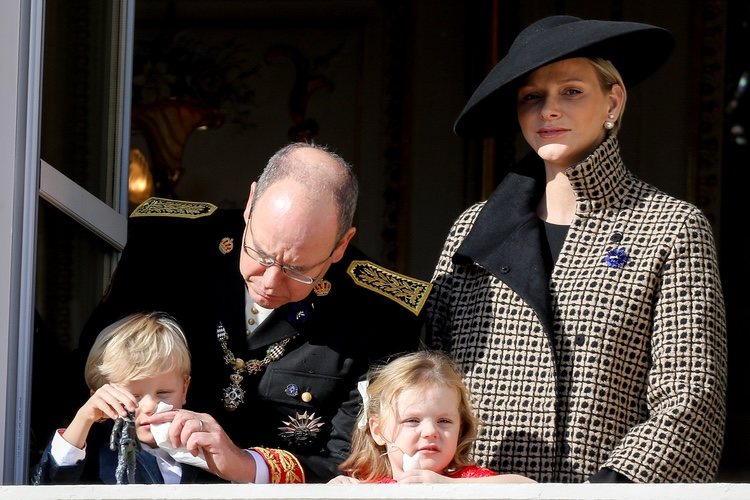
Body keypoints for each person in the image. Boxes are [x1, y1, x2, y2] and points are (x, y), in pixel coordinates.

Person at [426, 15, 727, 483]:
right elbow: (429, 380)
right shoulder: (472, 230)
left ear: (613, 100)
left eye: (571, 91)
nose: (549, 110)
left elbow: (690, 396)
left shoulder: (671, 227)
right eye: (532, 97)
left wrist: (607, 492)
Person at [72, 142, 431, 483]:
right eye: (260, 253)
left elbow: (356, 460)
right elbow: (85, 378)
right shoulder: (169, 244)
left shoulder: (381, 312)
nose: (271, 281)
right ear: (249, 204)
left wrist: (247, 465)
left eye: (298, 269)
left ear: (340, 246)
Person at [32, 312, 221, 484]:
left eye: (163, 393)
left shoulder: (202, 449)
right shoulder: (95, 453)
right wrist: (84, 418)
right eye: (133, 396)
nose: (150, 406)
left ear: (184, 389)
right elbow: (49, 484)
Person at [328, 351, 535, 484]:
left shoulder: (464, 481)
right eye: (412, 420)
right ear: (378, 430)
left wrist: (447, 486)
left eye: (444, 421)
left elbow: (528, 488)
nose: (430, 432)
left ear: (460, 429)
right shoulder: (365, 488)